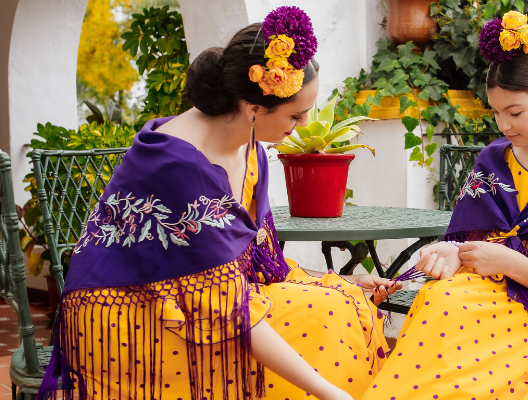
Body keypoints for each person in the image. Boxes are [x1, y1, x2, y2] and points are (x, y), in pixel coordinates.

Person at [38, 7, 398, 400]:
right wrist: (329, 393)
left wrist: (344, 282)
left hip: (199, 300)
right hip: (130, 321)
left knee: (340, 302)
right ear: (253, 108)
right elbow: (229, 309)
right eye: (296, 116)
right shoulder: (178, 168)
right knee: (326, 319)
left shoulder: (249, 148)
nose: (304, 124)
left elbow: (255, 265)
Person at [361, 11, 528, 400]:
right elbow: (469, 242)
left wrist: (509, 263)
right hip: (473, 292)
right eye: (495, 112)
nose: (502, 125)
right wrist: (450, 251)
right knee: (436, 299)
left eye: (515, 112)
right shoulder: (493, 158)